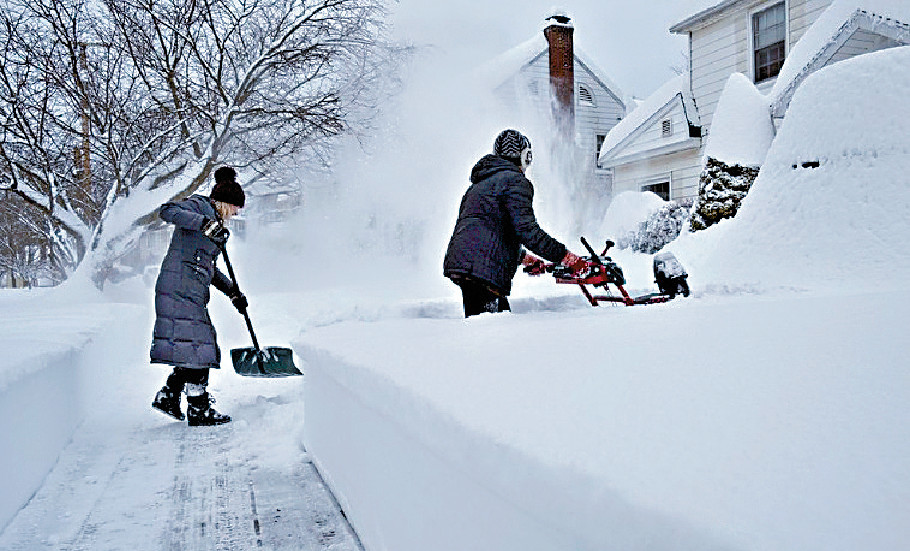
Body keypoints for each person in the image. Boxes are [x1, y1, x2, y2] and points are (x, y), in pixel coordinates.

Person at [444, 129, 587, 317]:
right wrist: (565, 256)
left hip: (465, 263)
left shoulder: (479, 185)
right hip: (482, 270)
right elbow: (527, 231)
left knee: (493, 322)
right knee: (490, 331)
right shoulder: (516, 182)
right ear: (524, 157)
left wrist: (523, 258)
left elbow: (490, 230)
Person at [150, 166, 248, 426]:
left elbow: (209, 268)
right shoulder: (199, 208)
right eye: (236, 207)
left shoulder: (217, 225)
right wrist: (204, 224)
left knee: (192, 345)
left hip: (191, 290)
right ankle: (198, 407)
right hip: (178, 287)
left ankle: (169, 396)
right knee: (200, 347)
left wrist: (232, 292)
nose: (237, 213)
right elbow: (167, 211)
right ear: (226, 203)